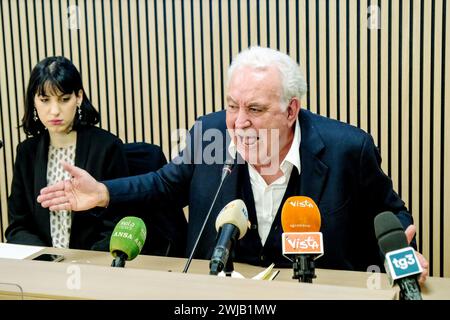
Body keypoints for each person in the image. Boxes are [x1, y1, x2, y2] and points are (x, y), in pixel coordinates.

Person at [37, 47, 428, 283]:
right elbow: (164, 184)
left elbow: (392, 217)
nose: (239, 122)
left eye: (255, 109)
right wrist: (103, 193)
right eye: (232, 105)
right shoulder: (211, 134)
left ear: (291, 110)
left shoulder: (348, 149)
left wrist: (405, 258)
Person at [5, 56, 129, 251]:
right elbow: (18, 226)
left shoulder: (107, 147)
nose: (54, 111)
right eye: (45, 100)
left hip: (95, 266)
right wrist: (49, 260)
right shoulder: (26, 152)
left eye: (64, 99)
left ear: (78, 97)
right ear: (34, 101)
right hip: (44, 267)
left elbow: (118, 223)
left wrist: (85, 264)